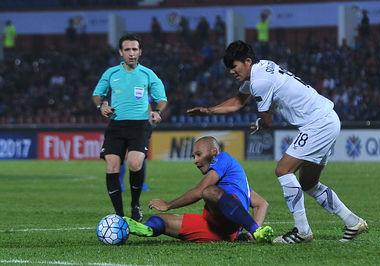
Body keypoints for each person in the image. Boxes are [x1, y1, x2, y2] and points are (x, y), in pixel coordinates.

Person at [187, 40, 368, 243]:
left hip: (317, 124)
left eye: (234, 66)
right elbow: (237, 102)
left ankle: (302, 231)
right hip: (328, 119)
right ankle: (353, 222)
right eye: (229, 68)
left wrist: (260, 122)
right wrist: (209, 110)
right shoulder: (262, 67)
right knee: (309, 183)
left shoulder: (259, 81)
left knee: (283, 170)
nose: (231, 72)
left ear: (247, 61)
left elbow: (268, 121)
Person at [123, 136, 274, 243]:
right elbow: (262, 204)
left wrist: (168, 204)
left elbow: (200, 190)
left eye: (198, 154)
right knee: (162, 220)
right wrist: (248, 235)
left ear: (214, 152)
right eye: (193, 156)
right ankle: (145, 229)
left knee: (209, 191)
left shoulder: (223, 158)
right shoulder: (239, 185)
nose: (195, 160)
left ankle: (256, 230)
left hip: (226, 220)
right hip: (217, 230)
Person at [92, 33, 167, 222]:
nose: (131, 53)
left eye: (135, 49)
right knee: (111, 166)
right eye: (127, 49)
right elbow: (97, 95)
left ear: (140, 52)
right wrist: (101, 106)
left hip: (139, 125)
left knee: (135, 163)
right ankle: (119, 215)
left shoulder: (148, 74)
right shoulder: (111, 73)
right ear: (120, 52)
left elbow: (162, 99)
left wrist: (157, 111)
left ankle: (135, 204)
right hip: (116, 126)